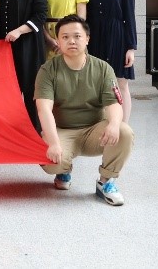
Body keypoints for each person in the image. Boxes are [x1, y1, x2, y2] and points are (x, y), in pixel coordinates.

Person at [35, 15, 135, 206]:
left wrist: (114, 124)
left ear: (87, 39)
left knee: (124, 132)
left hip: (94, 131)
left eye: (77, 36)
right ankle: (63, 171)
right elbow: (44, 109)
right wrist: (54, 143)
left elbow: (113, 104)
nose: (71, 41)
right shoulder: (48, 70)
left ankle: (106, 182)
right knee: (51, 162)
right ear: (57, 41)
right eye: (65, 37)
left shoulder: (103, 68)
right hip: (62, 131)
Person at [0, 0, 47, 132]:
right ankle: (10, 131)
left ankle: (35, 132)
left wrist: (19, 31)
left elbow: (40, 16)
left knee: (31, 89)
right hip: (4, 50)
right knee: (7, 91)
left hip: (29, 47)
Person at [87, 0, 136, 123]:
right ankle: (102, 125)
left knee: (121, 84)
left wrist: (131, 47)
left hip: (117, 36)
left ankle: (123, 127)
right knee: (97, 83)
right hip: (95, 36)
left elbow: (130, 16)